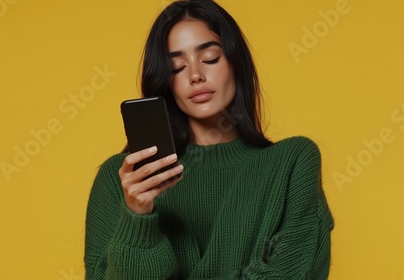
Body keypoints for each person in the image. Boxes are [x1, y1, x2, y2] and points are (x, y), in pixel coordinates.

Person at [84, 0, 334, 279]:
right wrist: (138, 216)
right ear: (166, 82)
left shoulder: (292, 163)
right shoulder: (121, 180)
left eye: (211, 58)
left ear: (236, 64)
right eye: (177, 67)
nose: (195, 75)